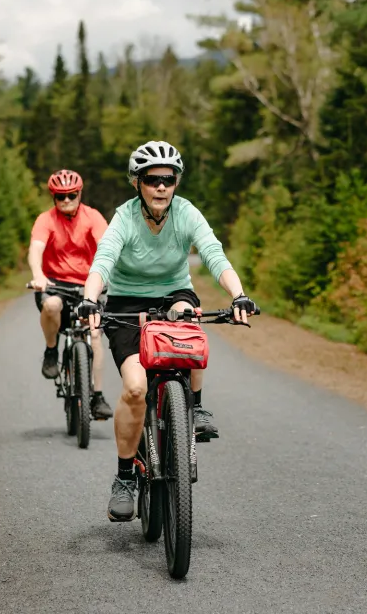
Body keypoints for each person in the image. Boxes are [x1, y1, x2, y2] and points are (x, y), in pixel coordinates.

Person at [80, 140, 258, 522]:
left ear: (176, 182)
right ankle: (125, 477)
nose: (161, 186)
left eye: (168, 179)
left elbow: (213, 253)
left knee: (187, 317)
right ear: (137, 183)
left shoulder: (186, 213)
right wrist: (91, 300)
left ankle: (193, 408)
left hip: (174, 294)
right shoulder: (124, 218)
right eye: (152, 179)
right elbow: (103, 260)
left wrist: (239, 294)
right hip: (127, 303)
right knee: (135, 388)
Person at [28, 169, 114, 421]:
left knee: (95, 334)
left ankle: (97, 396)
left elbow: (107, 246)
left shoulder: (93, 217)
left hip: (89, 284)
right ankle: (52, 350)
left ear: (80, 194)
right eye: (60, 196)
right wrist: (38, 274)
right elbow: (36, 250)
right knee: (51, 306)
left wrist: (111, 275)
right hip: (55, 284)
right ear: (53, 198)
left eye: (71, 195)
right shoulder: (45, 220)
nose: (66, 200)